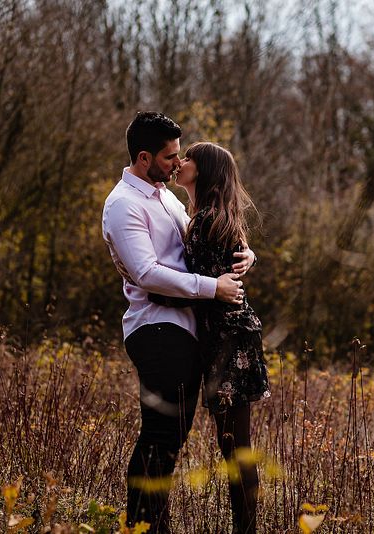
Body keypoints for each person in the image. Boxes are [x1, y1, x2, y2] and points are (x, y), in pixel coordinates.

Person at [101, 112, 255, 533]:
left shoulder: (165, 196)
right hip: (154, 328)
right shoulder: (123, 205)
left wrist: (246, 255)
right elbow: (148, 274)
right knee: (161, 435)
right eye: (169, 157)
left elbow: (203, 241)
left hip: (186, 329)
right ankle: (142, 526)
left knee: (173, 440)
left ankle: (154, 525)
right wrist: (213, 288)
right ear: (144, 156)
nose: (176, 163)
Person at [172, 141, 270, 534]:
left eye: (188, 159)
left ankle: (246, 529)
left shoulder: (205, 221)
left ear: (204, 170)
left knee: (235, 447)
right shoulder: (214, 218)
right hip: (231, 339)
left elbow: (195, 285)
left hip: (227, 343)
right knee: (235, 446)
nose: (180, 163)